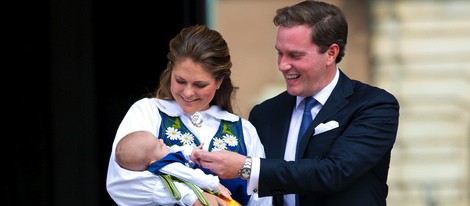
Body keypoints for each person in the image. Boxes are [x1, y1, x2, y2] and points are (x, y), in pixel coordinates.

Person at [192, 1, 400, 206]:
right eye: (279, 53)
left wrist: (247, 167)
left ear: (331, 53)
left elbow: (335, 172)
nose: (283, 65)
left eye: (295, 55)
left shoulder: (374, 105)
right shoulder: (265, 113)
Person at [106, 25, 272, 206]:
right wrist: (190, 197)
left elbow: (262, 199)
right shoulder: (148, 112)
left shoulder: (244, 131)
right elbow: (120, 183)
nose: (188, 92)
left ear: (219, 82)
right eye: (180, 81)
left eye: (200, 85)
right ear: (171, 73)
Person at [114, 130, 237, 205]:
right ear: (153, 162)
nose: (162, 141)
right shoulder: (168, 167)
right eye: (159, 145)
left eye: (158, 140)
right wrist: (216, 185)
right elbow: (193, 176)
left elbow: (175, 150)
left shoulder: (161, 160)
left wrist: (191, 153)